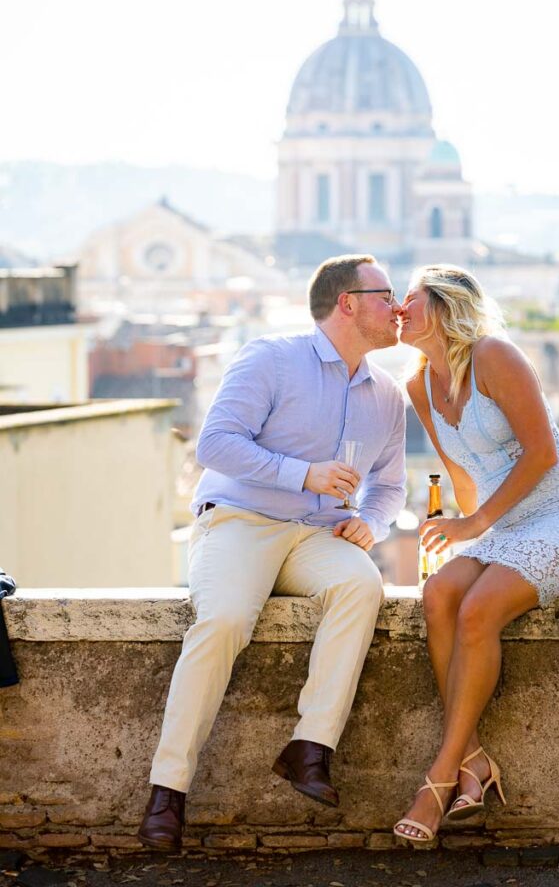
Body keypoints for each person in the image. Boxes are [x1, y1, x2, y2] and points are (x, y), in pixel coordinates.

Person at [138, 254, 406, 850]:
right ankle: (168, 790)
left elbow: (389, 485)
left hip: (318, 539)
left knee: (362, 585)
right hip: (240, 522)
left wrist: (372, 522)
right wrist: (301, 474)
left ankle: (310, 747)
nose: (400, 307)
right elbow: (215, 444)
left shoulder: (388, 395)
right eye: (387, 294)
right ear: (348, 303)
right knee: (226, 619)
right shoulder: (272, 357)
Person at [393, 265, 559, 843]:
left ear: (444, 309)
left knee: (478, 610)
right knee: (440, 591)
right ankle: (473, 759)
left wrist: (474, 523)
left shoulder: (495, 355)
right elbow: (464, 473)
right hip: (507, 521)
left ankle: (438, 781)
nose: (399, 307)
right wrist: (465, 532)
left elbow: (542, 453)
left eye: (411, 299)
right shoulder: (419, 385)